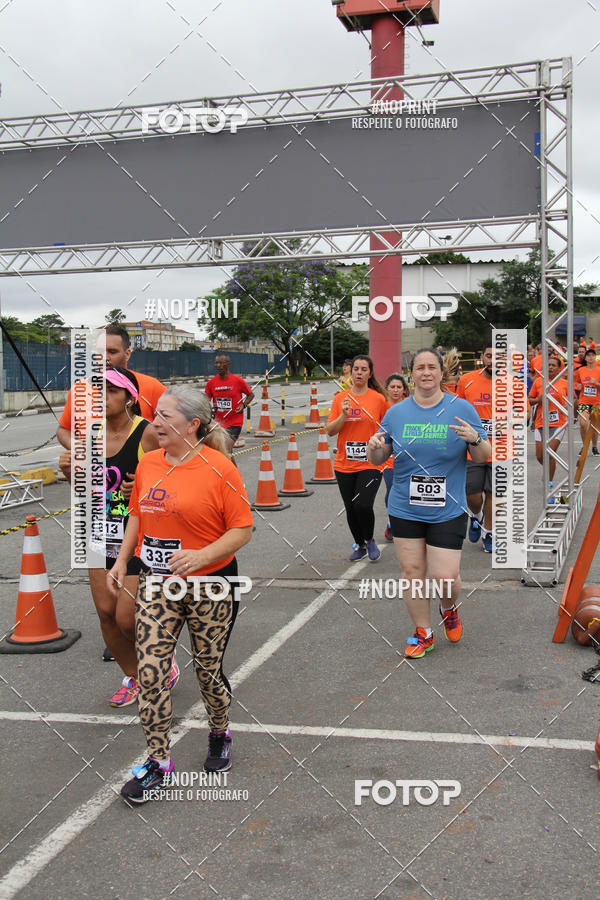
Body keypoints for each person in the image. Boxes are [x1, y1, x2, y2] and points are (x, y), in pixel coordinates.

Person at [108, 387, 253, 803]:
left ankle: (219, 732)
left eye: (165, 417)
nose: (155, 423)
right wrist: (122, 560)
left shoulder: (220, 468)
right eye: (155, 415)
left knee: (208, 670)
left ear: (192, 425)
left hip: (211, 583)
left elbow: (242, 529)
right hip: (157, 583)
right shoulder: (150, 463)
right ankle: (158, 763)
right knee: (151, 672)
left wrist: (202, 556)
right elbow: (137, 514)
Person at [367, 349, 490, 658]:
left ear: (440, 372)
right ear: (412, 374)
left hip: (447, 508)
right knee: (412, 572)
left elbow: (484, 455)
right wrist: (374, 447)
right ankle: (423, 632)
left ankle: (448, 608)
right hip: (405, 506)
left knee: (445, 578)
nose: (426, 372)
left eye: (431, 367)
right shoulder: (396, 413)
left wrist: (475, 439)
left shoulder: (460, 408)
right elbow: (378, 457)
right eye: (420, 367)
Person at [58, 367, 166, 706]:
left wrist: (146, 487)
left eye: (110, 391)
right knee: (106, 614)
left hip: (136, 537)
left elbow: (174, 475)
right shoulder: (89, 436)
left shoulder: (147, 433)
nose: (101, 398)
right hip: (96, 534)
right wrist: (69, 471)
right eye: (96, 393)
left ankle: (162, 661)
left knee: (126, 618)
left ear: (129, 397)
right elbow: (86, 487)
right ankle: (135, 677)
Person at [56, 324, 166, 450]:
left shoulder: (152, 387)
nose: (105, 358)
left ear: (127, 354)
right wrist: (77, 448)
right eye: (100, 352)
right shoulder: (79, 389)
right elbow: (64, 429)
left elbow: (175, 431)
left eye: (112, 352)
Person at [326, 355, 389, 562]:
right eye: (356, 369)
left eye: (364, 369)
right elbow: (330, 431)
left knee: (363, 504)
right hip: (344, 464)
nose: (359, 373)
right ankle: (360, 545)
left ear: (370, 374)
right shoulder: (340, 399)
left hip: (371, 462)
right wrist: (343, 415)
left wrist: (383, 444)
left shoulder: (378, 399)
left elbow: (389, 426)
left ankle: (370, 540)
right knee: (351, 507)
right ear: (350, 372)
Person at [528, 355, 570, 502]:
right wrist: (537, 400)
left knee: (550, 453)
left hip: (559, 423)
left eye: (554, 365)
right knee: (540, 456)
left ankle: (549, 486)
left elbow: (574, 400)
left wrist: (569, 407)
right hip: (541, 423)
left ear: (559, 369)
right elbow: (529, 400)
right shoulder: (539, 382)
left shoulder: (565, 383)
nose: (550, 367)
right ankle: (549, 471)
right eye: (549, 365)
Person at [204, 353, 254, 452]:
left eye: (221, 363)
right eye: (216, 363)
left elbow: (251, 395)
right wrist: (210, 409)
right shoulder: (211, 383)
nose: (218, 365)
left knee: (225, 449)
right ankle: (231, 463)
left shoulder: (238, 381)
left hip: (234, 422)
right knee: (226, 452)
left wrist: (243, 405)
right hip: (218, 423)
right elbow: (205, 401)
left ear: (228, 364)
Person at [382, 374, 410, 542]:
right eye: (392, 387)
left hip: (406, 457)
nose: (395, 390)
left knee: (407, 491)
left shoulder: (410, 407)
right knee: (392, 489)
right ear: (387, 389)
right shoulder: (382, 406)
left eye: (399, 387)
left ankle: (406, 520)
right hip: (388, 458)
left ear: (404, 390)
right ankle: (391, 521)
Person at [575, 347, 600, 455]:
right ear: (585, 358)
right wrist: (578, 386)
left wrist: (596, 383)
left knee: (594, 426)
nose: (590, 357)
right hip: (584, 401)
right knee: (583, 424)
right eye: (588, 355)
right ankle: (585, 445)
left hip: (597, 402)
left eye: (592, 355)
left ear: (595, 357)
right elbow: (577, 382)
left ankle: (594, 447)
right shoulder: (581, 370)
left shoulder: (599, 370)